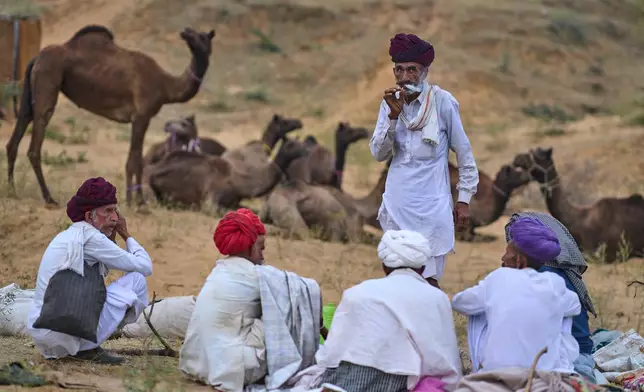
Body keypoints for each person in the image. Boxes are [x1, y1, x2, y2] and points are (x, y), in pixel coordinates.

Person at [370, 33, 479, 289]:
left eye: (412, 70)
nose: (405, 76)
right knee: (396, 279)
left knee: (428, 281)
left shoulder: (442, 103)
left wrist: (463, 200)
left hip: (432, 207)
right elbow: (378, 153)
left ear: (425, 71)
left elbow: (464, 154)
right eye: (399, 70)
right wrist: (393, 118)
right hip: (398, 204)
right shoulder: (389, 105)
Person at [314, 229, 462, 392]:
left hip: (344, 381)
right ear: (423, 268)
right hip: (402, 381)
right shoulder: (436, 298)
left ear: (384, 266)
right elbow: (444, 360)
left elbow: (332, 353)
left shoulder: (356, 293)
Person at [27, 177, 152, 364]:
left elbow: (97, 278)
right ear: (89, 217)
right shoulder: (91, 237)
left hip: (43, 334)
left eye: (115, 211)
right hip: (62, 332)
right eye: (108, 211)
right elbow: (145, 266)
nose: (115, 218)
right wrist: (126, 234)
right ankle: (87, 347)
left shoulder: (71, 234)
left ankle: (83, 345)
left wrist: (111, 237)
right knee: (137, 280)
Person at [452, 216, 581, 374]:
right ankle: (557, 364)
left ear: (519, 261)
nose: (503, 258)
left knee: (480, 310)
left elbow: (459, 302)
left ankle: (482, 363)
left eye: (507, 253)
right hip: (543, 375)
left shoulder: (498, 278)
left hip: (498, 375)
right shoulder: (554, 283)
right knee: (561, 313)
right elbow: (575, 305)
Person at [179, 208, 269, 390]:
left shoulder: (220, 270)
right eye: (261, 248)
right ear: (249, 247)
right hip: (231, 373)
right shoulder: (256, 276)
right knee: (281, 311)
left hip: (195, 365)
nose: (262, 255)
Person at [504, 211, 597, 383]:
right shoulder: (562, 273)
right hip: (579, 356)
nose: (505, 256)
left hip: (566, 365)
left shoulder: (542, 277)